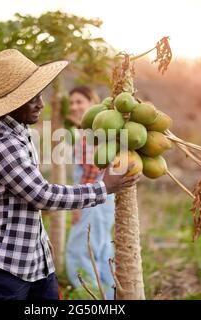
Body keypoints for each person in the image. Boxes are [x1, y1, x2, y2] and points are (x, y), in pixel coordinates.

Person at [0, 49, 142, 300]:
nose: (41, 103)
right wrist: (102, 187)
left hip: (35, 258)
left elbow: (25, 195)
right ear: (13, 103)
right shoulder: (1, 142)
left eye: (39, 95)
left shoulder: (20, 132)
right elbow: (41, 195)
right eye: (32, 98)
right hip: (4, 264)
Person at [65, 86, 116, 299]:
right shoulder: (85, 133)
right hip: (101, 198)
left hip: (93, 198)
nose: (74, 107)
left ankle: (91, 298)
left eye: (79, 101)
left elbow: (94, 171)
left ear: (91, 102)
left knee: (80, 251)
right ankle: (111, 297)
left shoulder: (92, 134)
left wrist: (78, 206)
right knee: (101, 250)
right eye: (72, 103)